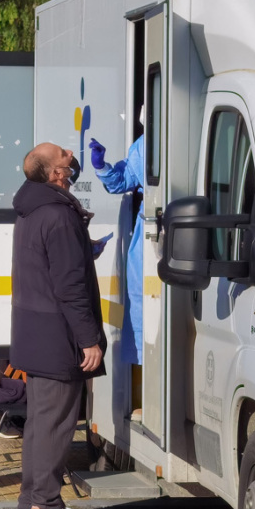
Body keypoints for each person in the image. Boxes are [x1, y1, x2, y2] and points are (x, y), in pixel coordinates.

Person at [11, 142, 107, 509]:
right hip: (58, 336)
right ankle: (46, 506)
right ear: (56, 174)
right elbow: (69, 286)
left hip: (34, 333)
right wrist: (89, 339)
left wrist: (84, 251)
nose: (71, 153)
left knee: (40, 423)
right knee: (55, 425)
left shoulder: (32, 211)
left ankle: (30, 502)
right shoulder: (59, 215)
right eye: (64, 154)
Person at [89, 132, 144, 367]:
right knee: (145, 304)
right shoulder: (147, 144)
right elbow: (122, 181)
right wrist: (102, 167)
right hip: (154, 235)